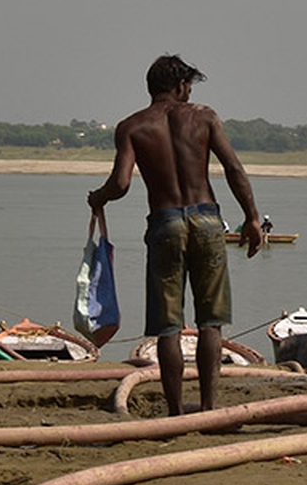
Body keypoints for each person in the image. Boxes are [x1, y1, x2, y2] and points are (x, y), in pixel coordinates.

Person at [88, 54, 262, 414]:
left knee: (168, 326)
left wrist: (98, 197)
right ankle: (211, 408)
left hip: (165, 222)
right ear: (181, 86)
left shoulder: (132, 126)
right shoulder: (204, 116)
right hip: (207, 221)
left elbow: (120, 184)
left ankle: (175, 412)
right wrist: (252, 218)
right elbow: (233, 168)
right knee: (210, 322)